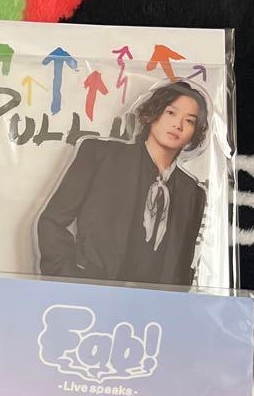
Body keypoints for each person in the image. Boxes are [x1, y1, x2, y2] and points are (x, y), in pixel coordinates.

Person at [36, 80, 209, 287]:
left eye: (189, 121)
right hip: (91, 293)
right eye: (171, 113)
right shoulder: (100, 156)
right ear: (152, 113)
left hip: (153, 304)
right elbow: (52, 221)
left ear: (194, 133)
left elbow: (182, 263)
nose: (178, 125)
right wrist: (69, 281)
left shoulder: (193, 193)